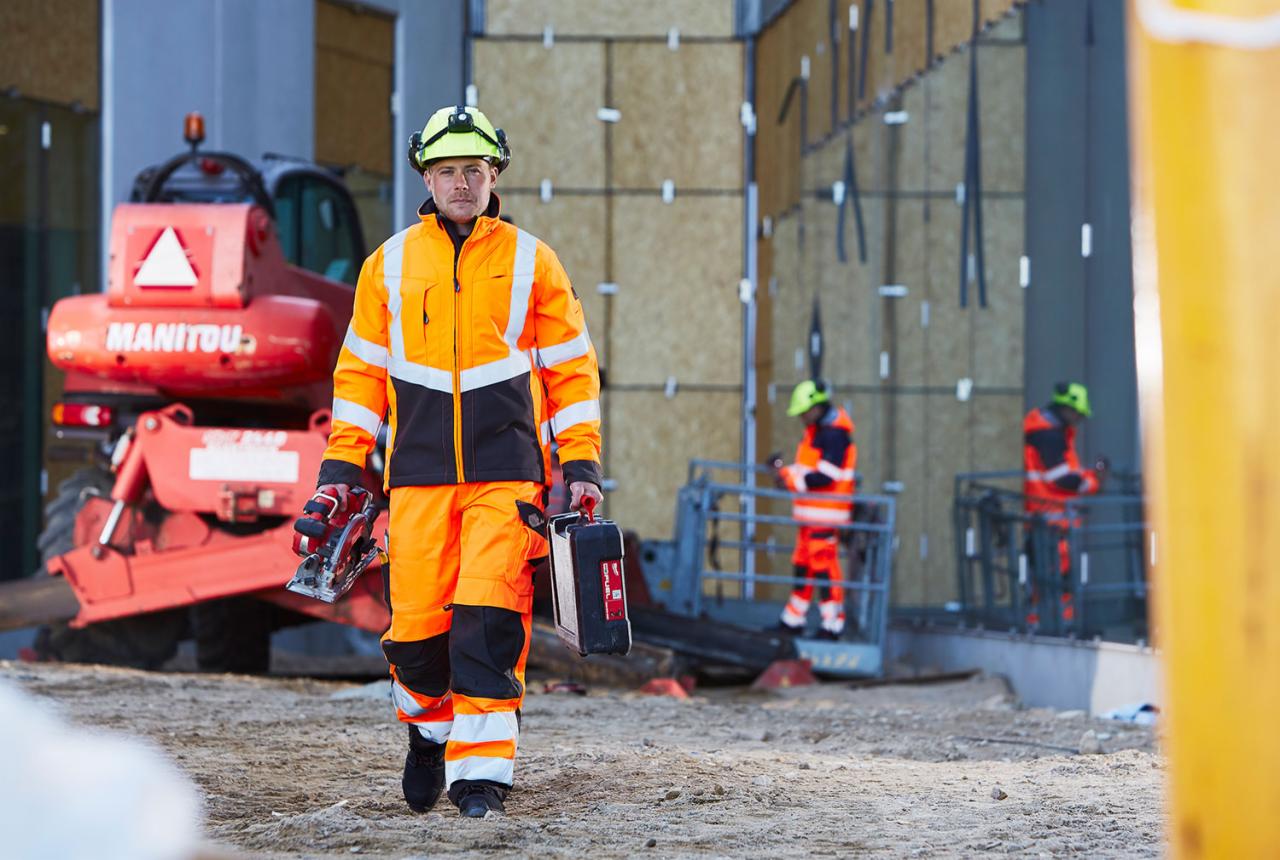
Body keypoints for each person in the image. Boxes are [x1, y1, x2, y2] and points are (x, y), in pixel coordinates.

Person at [311, 105, 602, 818]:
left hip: (508, 480)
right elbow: (359, 379)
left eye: (473, 169)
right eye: (447, 171)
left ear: (493, 172)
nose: (462, 183)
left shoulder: (534, 261)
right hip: (414, 481)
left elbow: (571, 371)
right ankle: (427, 736)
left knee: (489, 622)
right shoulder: (388, 265)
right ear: (427, 176)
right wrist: (341, 474)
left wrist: (583, 465)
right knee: (414, 633)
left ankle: (482, 782)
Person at [773, 380, 857, 639]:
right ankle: (793, 620)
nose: (801, 417)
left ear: (817, 408)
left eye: (804, 412)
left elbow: (825, 477)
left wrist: (790, 480)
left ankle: (832, 625)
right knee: (803, 567)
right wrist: (786, 473)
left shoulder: (835, 436)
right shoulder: (817, 434)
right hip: (811, 518)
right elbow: (807, 471)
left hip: (825, 518)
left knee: (824, 570)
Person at [1022, 381, 1105, 624]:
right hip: (1051, 518)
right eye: (1078, 414)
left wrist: (1089, 475)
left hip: (1046, 517)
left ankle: (1044, 621)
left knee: (1045, 575)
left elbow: (1064, 473)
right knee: (1056, 574)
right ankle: (1059, 624)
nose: (1079, 419)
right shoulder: (1048, 436)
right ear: (1067, 409)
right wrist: (1093, 481)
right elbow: (1060, 478)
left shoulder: (1045, 431)